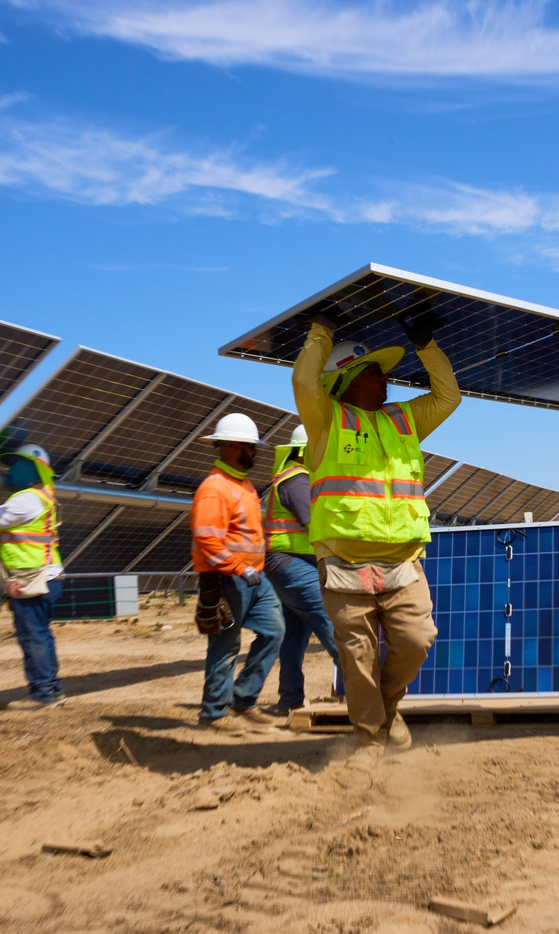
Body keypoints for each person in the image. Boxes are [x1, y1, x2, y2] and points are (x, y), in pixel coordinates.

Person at [292, 305, 460, 770]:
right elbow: (305, 383)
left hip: (403, 561)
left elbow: (448, 397)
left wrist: (427, 345)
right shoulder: (325, 421)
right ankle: (368, 742)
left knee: (418, 639)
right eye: (372, 372)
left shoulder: (406, 419)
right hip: (344, 564)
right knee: (358, 658)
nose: (385, 379)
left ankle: (384, 712)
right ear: (345, 382)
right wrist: (320, 333)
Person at [191, 412, 285, 735]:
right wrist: (239, 567)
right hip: (229, 579)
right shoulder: (215, 488)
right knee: (226, 646)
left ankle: (242, 700)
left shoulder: (243, 485)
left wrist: (253, 567)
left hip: (254, 579)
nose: (255, 453)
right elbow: (206, 539)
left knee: (274, 632)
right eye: (251, 447)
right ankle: (213, 713)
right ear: (233, 447)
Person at [0, 443, 66, 711]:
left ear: (35, 468)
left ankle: (43, 693)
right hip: (44, 574)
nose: (12, 469)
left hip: (32, 576)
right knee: (40, 635)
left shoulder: (28, 498)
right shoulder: (43, 496)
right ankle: (51, 689)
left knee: (33, 636)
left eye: (18, 463)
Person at [263, 424, 341, 713]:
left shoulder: (298, 478)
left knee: (294, 636)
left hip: (288, 565)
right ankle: (362, 696)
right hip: (290, 564)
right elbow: (316, 527)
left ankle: (289, 699)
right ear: (307, 449)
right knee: (334, 625)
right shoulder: (297, 480)